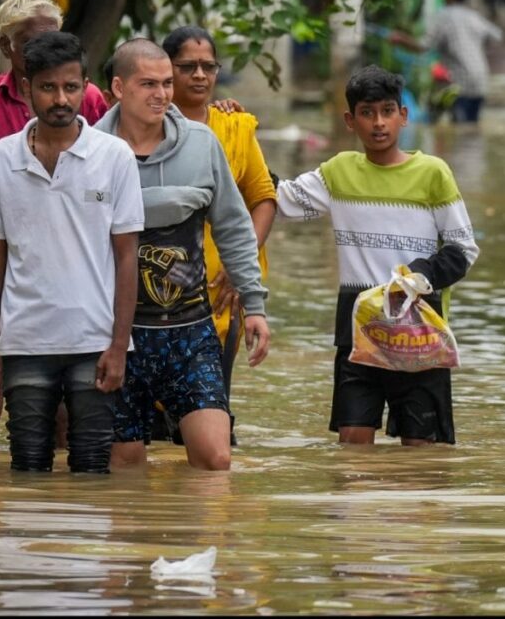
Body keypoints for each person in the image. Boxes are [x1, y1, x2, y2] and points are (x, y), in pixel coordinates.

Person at [274, 65, 480, 446]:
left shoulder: (433, 174)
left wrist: (419, 276)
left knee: (421, 451)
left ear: (404, 115)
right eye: (367, 113)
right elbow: (278, 197)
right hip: (357, 333)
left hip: (418, 331)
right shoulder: (338, 173)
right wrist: (232, 135)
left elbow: (463, 249)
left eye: (387, 111)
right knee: (352, 446)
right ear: (350, 121)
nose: (379, 123)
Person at [93, 39, 271, 471]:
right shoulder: (90, 151)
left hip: (190, 333)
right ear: (118, 87)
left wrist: (254, 305)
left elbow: (233, 226)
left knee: (215, 459)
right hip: (116, 336)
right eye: (148, 84)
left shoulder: (201, 144)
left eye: (166, 84)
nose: (162, 95)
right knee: (124, 466)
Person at [0, 31, 143, 473]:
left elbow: (127, 256)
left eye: (70, 86)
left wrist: (119, 346)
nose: (60, 99)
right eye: (48, 87)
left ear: (86, 87)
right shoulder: (1, 159)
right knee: (27, 466)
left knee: (92, 466)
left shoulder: (115, 157)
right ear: (27, 88)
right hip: (25, 340)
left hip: (95, 340)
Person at [0, 0, 109, 452]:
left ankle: (51, 491)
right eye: (33, 42)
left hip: (72, 275)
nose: (46, 50)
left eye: (53, 38)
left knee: (63, 409)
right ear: (7, 47)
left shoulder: (89, 99)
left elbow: (127, 150)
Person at [161, 25, 278, 446]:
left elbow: (263, 198)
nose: (199, 75)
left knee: (209, 408)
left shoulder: (235, 126)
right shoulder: (144, 125)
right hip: (155, 290)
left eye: (208, 67)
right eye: (187, 66)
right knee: (150, 423)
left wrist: (238, 263)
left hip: (221, 291)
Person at [391, 0, 504, 124]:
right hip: (480, 80)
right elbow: (498, 36)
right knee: (471, 126)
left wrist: (401, 39)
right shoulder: (472, 16)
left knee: (458, 127)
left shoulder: (443, 16)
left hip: (459, 84)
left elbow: (423, 47)